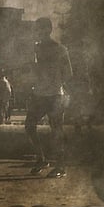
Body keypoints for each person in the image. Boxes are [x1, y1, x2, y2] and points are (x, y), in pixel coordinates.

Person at [24, 17, 72, 178]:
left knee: (56, 129)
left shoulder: (60, 49)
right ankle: (41, 158)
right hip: (39, 94)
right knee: (29, 126)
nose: (38, 32)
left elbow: (68, 73)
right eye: (36, 29)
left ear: (48, 30)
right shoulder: (35, 49)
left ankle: (61, 166)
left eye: (41, 29)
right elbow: (32, 71)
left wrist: (53, 83)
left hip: (54, 95)